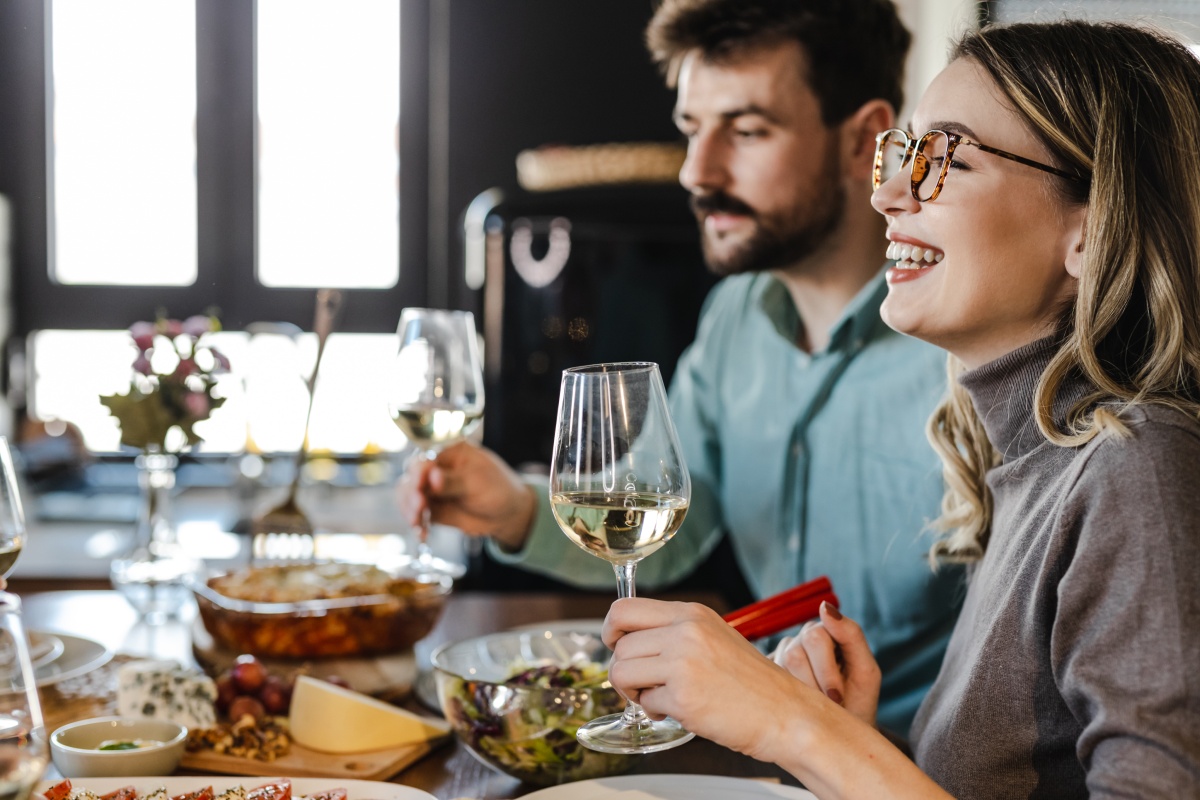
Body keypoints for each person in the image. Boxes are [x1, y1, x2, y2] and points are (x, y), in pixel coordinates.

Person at [602, 19, 1200, 798]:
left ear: (1090, 228)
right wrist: (845, 744)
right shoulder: (1033, 459)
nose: (887, 194)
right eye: (904, 153)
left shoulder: (1138, 472)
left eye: (945, 156)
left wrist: (796, 726)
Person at [403, 0, 961, 735]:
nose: (698, 172)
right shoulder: (736, 315)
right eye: (693, 129)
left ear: (865, 140)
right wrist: (513, 507)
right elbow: (672, 525)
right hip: (758, 756)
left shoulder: (963, 348)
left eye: (749, 130)